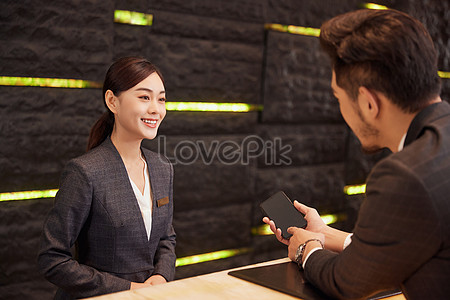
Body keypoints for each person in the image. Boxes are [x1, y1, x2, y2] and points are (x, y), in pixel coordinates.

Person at [264, 9, 450, 299]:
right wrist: (324, 235)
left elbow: (347, 283)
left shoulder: (405, 175)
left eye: (338, 97)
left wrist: (306, 249)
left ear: (368, 103)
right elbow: (407, 243)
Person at [38, 56, 176, 299]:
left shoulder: (162, 168)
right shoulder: (85, 172)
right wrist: (130, 289)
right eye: (144, 97)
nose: (156, 108)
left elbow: (166, 238)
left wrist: (160, 277)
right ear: (112, 101)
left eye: (161, 99)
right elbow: (53, 259)